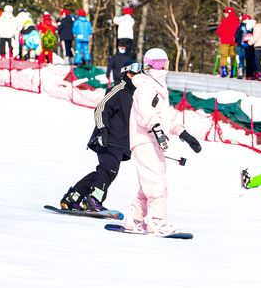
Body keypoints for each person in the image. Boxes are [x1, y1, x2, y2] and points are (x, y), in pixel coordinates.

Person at [124, 47, 202, 236]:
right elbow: (146, 114)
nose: (164, 67)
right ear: (153, 65)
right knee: (157, 182)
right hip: (145, 139)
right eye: (161, 63)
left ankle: (134, 221)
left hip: (151, 140)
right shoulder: (146, 86)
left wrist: (184, 134)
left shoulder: (158, 87)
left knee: (148, 183)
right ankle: (158, 223)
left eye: (165, 63)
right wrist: (158, 131)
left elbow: (165, 116)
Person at [60, 62, 141, 212]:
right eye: (132, 74)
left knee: (104, 172)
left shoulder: (135, 97)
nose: (135, 78)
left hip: (121, 143)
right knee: (107, 171)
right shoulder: (118, 90)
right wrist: (102, 130)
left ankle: (73, 197)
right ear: (124, 74)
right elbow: (100, 108)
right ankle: (94, 199)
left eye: (138, 75)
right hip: (108, 139)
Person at [216, 6, 239, 77]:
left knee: (224, 56)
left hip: (225, 41)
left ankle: (224, 71)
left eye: (225, 13)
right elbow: (239, 31)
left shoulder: (224, 21)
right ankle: (233, 71)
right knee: (233, 56)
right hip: (233, 41)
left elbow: (219, 30)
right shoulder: (236, 21)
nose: (224, 15)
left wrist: (222, 36)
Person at [234, 14, 254, 79]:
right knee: (249, 60)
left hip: (240, 44)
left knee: (241, 59)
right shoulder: (252, 27)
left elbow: (236, 35)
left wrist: (237, 41)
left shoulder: (241, 26)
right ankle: (250, 74)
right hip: (249, 45)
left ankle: (240, 73)